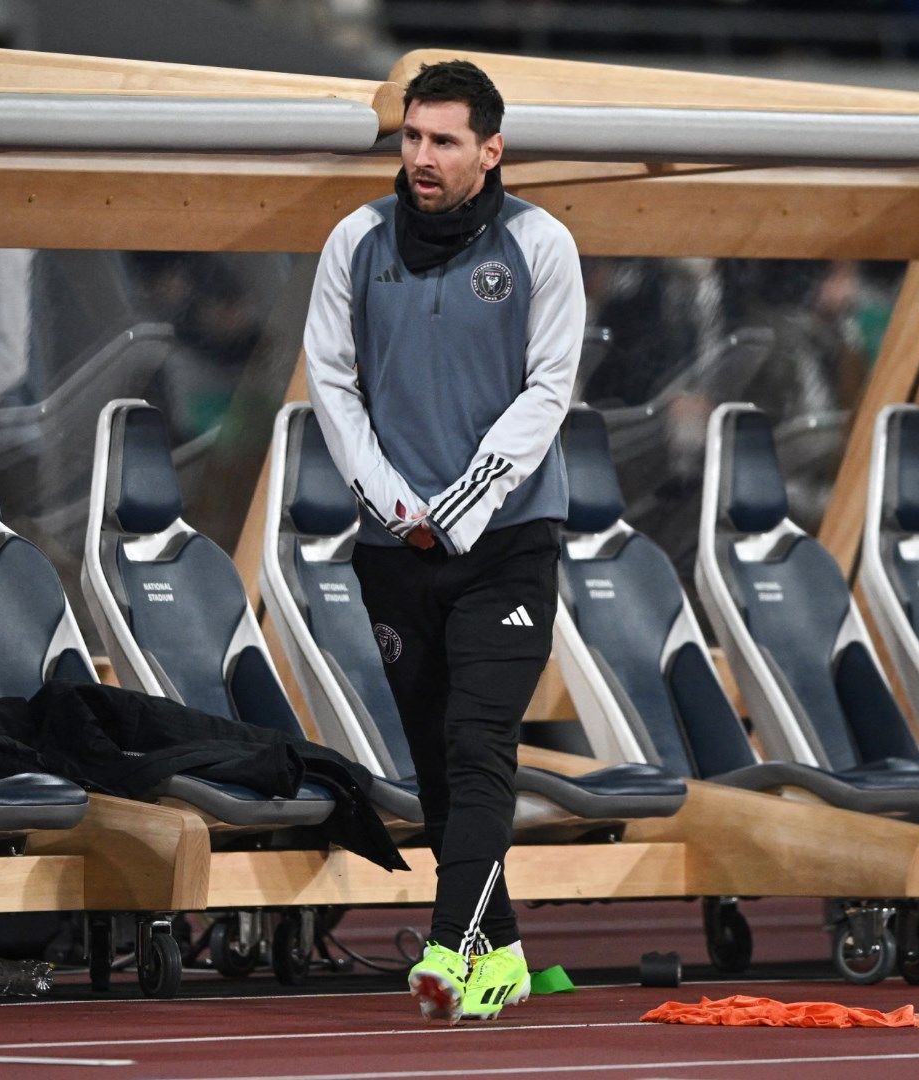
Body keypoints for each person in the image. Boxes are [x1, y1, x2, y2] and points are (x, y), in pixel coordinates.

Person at [302, 59, 584, 1022]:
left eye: (444, 140)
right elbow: (331, 384)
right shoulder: (355, 239)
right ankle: (499, 947)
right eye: (412, 137)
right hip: (394, 549)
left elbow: (548, 391)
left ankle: (450, 953)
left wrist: (459, 506)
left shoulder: (542, 243)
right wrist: (390, 505)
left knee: (477, 744)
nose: (420, 157)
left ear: (490, 150)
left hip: (507, 541)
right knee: (433, 759)